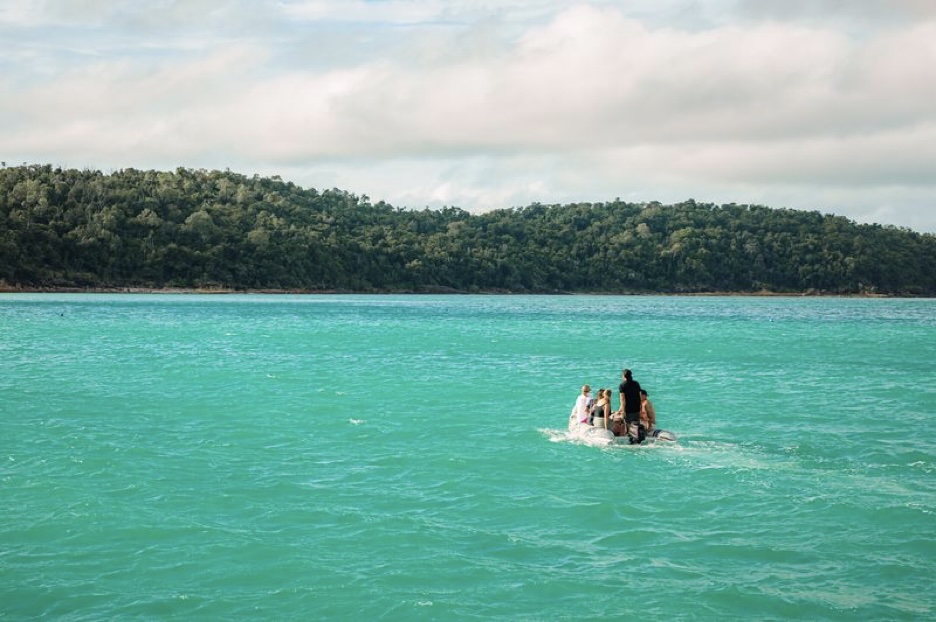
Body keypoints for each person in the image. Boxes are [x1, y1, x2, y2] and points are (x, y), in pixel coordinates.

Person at [618, 369, 643, 443]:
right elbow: (640, 396)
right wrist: (641, 408)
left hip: (628, 409)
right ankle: (638, 439)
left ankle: (631, 440)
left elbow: (622, 399)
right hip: (636, 407)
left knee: (629, 426)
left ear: (624, 376)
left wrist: (623, 410)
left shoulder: (622, 385)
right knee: (636, 424)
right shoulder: (636, 383)